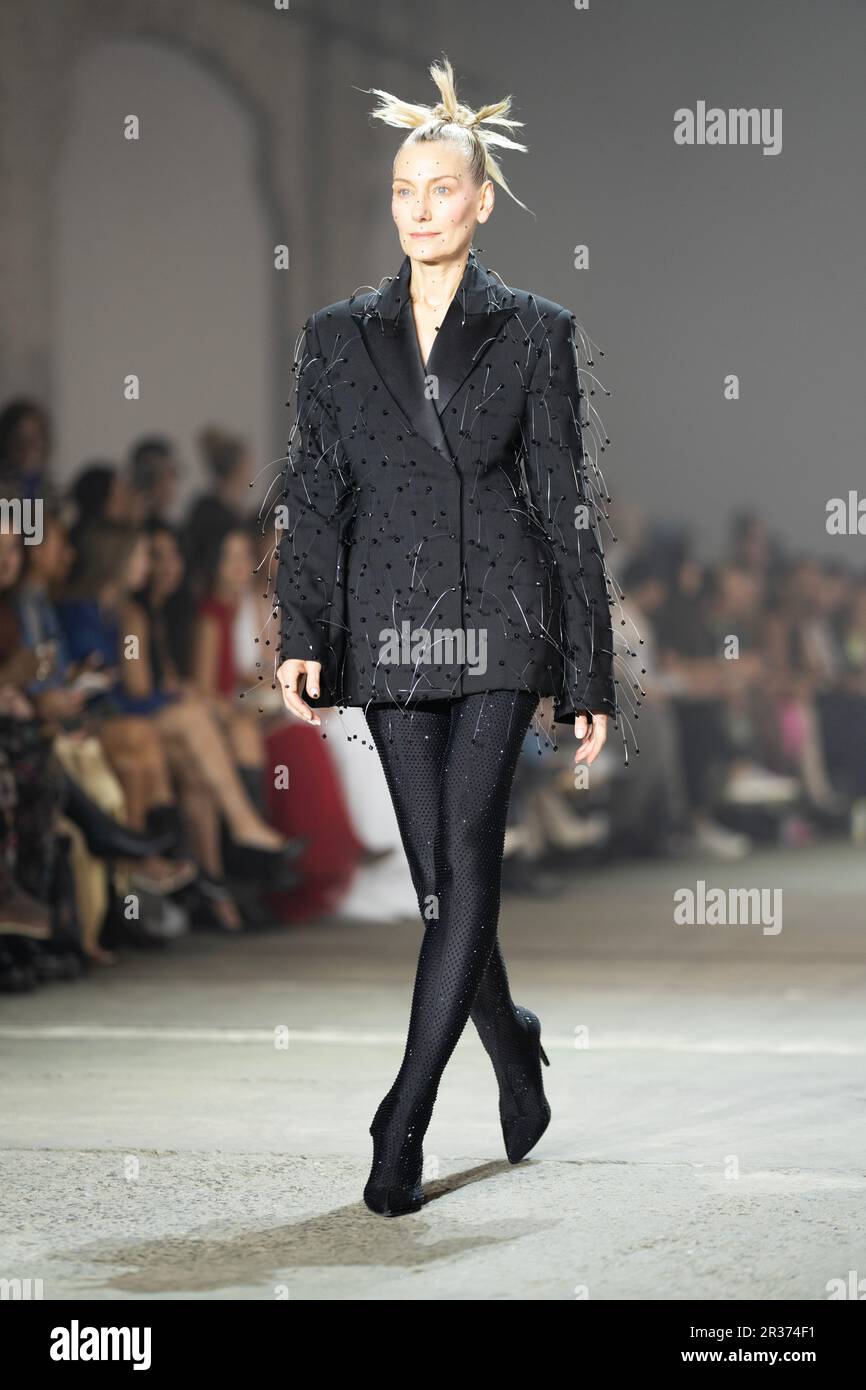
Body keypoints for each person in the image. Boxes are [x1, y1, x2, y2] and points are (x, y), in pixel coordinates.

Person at [268, 58, 631, 1217]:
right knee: (436, 878)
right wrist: (302, 625)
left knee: (464, 859)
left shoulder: (533, 331)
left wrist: (586, 670)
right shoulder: (334, 337)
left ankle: (402, 1119)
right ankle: (509, 1043)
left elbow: (566, 499)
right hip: (382, 616)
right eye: (402, 188)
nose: (420, 206)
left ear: (480, 202)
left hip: (497, 617)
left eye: (441, 187)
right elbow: (313, 489)